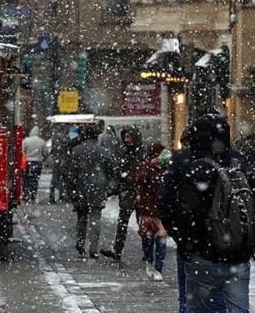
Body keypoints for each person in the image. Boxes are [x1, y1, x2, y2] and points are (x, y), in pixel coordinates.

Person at [158, 114, 252, 312]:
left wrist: (184, 241)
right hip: (238, 253)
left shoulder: (183, 160)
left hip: (201, 252)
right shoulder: (238, 160)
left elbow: (165, 204)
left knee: (197, 306)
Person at [68, 126, 114, 259]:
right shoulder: (104, 152)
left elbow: (72, 173)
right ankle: (93, 248)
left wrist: (72, 190)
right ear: (96, 136)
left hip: (81, 187)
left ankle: (80, 243)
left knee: (82, 218)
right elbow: (110, 171)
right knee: (95, 218)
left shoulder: (77, 150)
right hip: (98, 187)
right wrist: (109, 188)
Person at [101, 125, 145, 261]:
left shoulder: (141, 152)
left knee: (142, 223)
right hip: (128, 192)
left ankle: (148, 252)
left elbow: (140, 173)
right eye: (125, 137)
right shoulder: (125, 152)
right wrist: (119, 172)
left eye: (129, 136)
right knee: (122, 223)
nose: (126, 140)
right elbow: (124, 173)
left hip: (140, 192)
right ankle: (117, 250)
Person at [135, 142, 167, 282]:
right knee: (147, 240)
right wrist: (149, 166)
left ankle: (158, 268)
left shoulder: (166, 168)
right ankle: (149, 260)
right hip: (147, 209)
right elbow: (139, 180)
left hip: (161, 210)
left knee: (161, 241)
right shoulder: (144, 165)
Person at [22, 126, 48, 203]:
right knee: (35, 179)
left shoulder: (26, 141)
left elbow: (22, 150)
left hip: (28, 162)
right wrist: (43, 159)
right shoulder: (42, 141)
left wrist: (27, 155)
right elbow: (45, 153)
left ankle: (25, 195)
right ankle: (33, 195)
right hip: (37, 163)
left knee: (26, 179)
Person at [48, 130, 68, 203]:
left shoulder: (54, 138)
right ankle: (62, 195)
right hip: (63, 161)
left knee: (54, 179)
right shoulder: (65, 138)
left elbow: (52, 152)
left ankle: (52, 196)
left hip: (56, 162)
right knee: (63, 179)